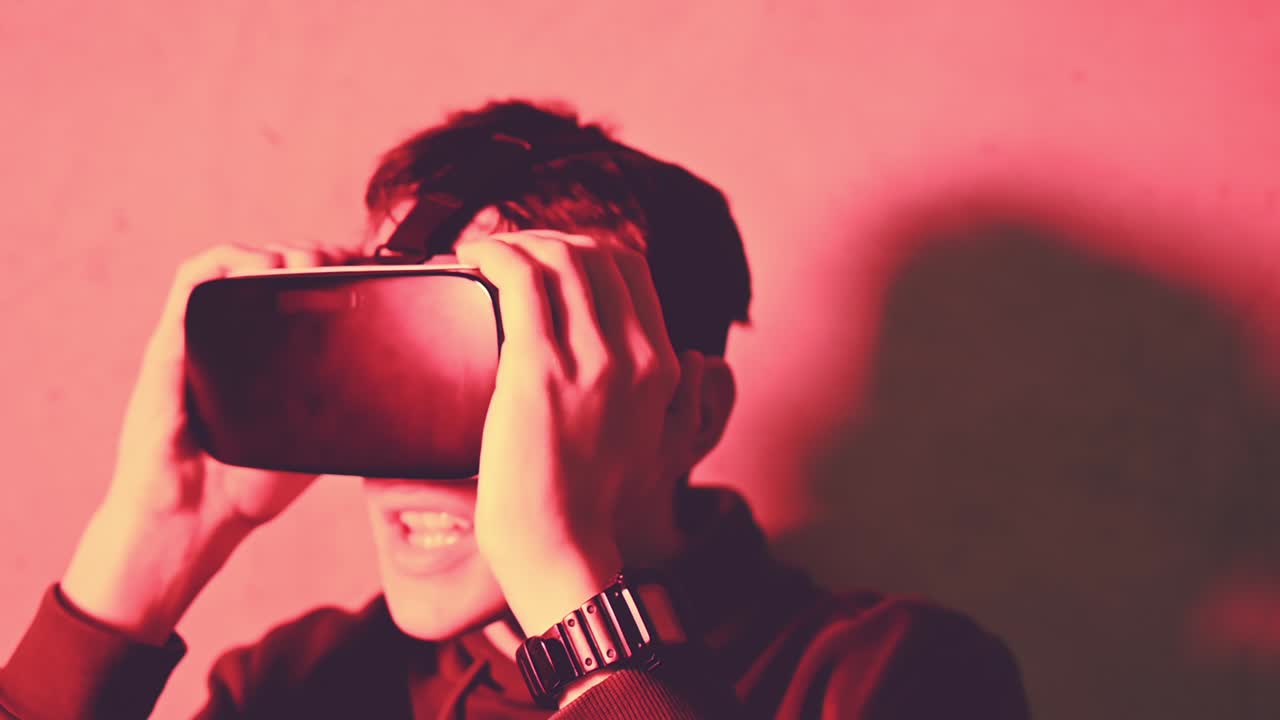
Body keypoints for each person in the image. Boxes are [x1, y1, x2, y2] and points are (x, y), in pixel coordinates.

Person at [0, 100, 1030, 719]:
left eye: (502, 365)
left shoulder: (886, 677)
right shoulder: (302, 683)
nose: (404, 447)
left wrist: (567, 589)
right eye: (384, 362)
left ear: (690, 412)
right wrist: (148, 547)